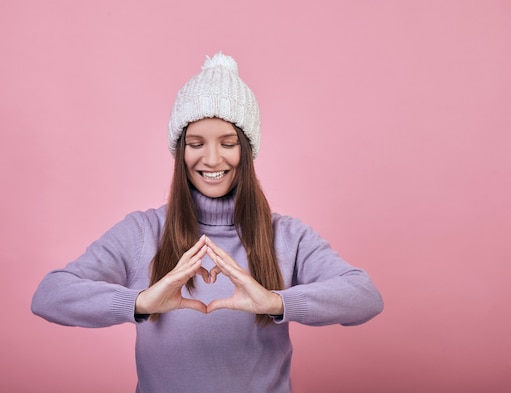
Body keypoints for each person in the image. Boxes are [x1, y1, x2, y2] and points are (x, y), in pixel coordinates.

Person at [31, 52, 384, 393]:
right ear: (180, 150)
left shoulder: (286, 236)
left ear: (246, 151)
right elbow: (50, 295)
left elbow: (364, 296)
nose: (212, 158)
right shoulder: (143, 231)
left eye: (228, 143)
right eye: (196, 143)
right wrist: (139, 302)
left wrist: (275, 302)